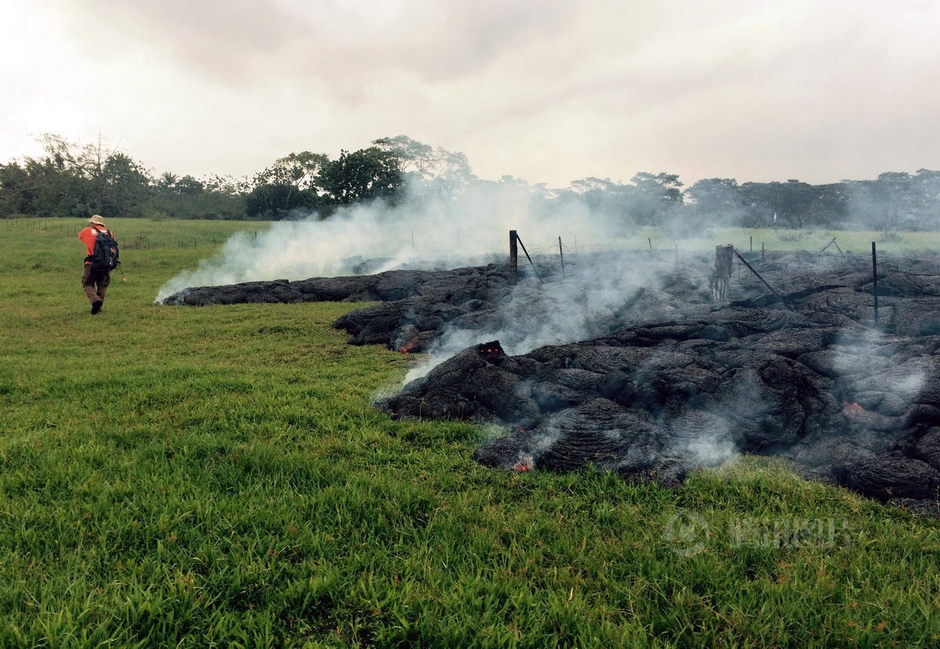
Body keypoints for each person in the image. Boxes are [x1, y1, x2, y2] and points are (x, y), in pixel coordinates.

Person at [77, 214, 115, 314]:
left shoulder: (88, 231)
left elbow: (80, 236)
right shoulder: (109, 233)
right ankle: (98, 309)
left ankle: (95, 301)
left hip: (92, 263)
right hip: (106, 264)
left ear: (93, 223)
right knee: (102, 285)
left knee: (87, 283)